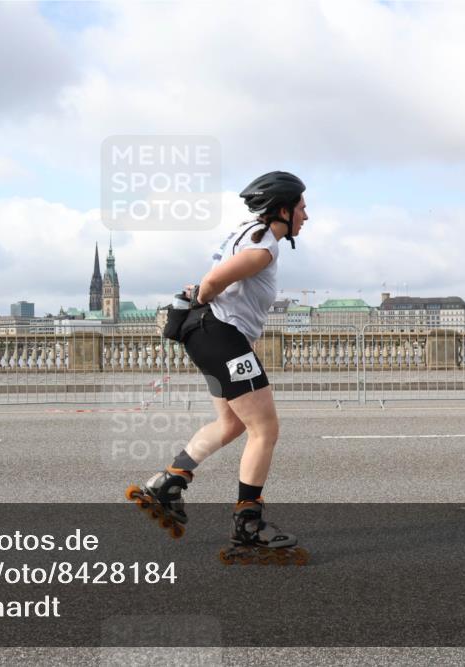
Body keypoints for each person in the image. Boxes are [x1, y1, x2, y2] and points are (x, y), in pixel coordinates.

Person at [126, 171, 310, 565]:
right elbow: (212, 281)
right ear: (282, 210)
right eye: (301, 208)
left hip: (208, 337)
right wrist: (203, 295)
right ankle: (248, 522)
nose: (305, 216)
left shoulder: (246, 232)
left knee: (231, 424)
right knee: (265, 429)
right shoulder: (264, 247)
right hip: (219, 335)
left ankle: (169, 480)